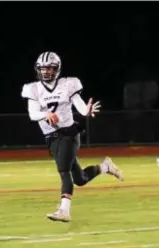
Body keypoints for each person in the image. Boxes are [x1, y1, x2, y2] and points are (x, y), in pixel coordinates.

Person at [21, 51, 124, 223]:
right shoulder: (33, 89)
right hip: (51, 137)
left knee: (64, 169)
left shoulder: (68, 84)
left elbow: (82, 108)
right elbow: (32, 113)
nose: (46, 72)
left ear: (57, 69)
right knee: (80, 179)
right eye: (43, 69)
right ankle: (106, 167)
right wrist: (45, 114)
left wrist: (87, 111)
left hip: (70, 133)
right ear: (38, 69)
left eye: (50, 68)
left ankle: (64, 210)